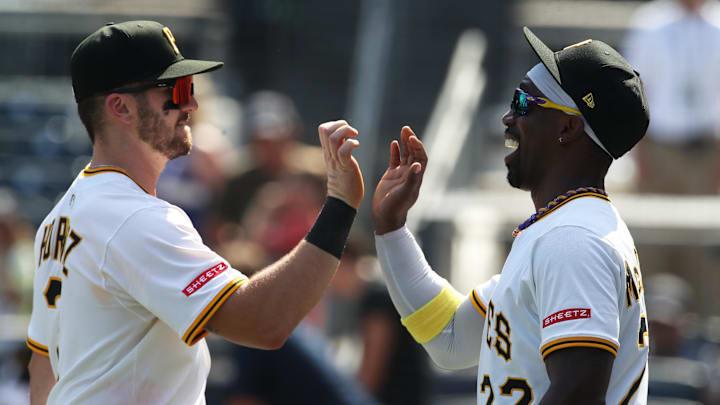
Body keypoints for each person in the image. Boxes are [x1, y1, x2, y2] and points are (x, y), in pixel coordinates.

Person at [26, 21, 364, 405]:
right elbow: (265, 322)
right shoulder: (135, 217)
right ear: (120, 107)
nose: (191, 105)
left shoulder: (57, 219)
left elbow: (43, 369)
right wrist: (340, 204)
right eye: (177, 90)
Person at [372, 27, 651, 404]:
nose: (507, 117)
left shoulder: (572, 238)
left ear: (568, 127)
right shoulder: (566, 228)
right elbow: (450, 338)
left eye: (523, 103)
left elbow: (578, 394)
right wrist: (392, 228)